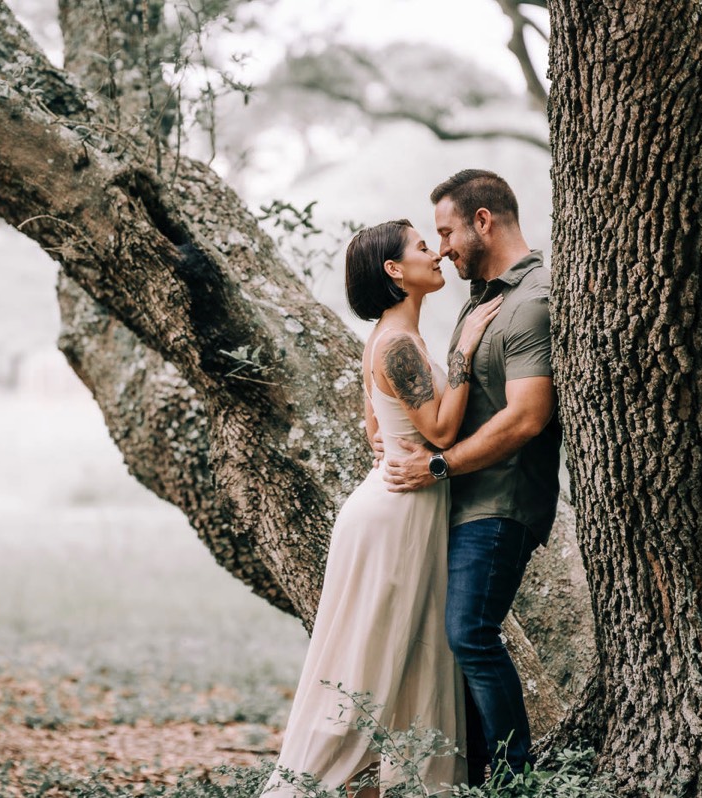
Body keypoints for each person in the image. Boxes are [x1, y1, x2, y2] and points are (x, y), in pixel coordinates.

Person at [264, 219, 503, 797]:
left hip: (403, 507)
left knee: (417, 650)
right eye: (423, 248)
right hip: (393, 515)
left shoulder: (392, 339)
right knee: (369, 657)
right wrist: (467, 350)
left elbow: (374, 425)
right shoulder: (397, 343)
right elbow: (443, 430)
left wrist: (394, 437)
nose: (436, 254)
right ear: (395, 271)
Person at [383, 170, 561, 782]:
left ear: (482, 221)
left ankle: (516, 781)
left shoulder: (533, 297)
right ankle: (476, 779)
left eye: (447, 231)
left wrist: (437, 465)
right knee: (452, 647)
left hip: (501, 502)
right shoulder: (480, 299)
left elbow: (528, 416)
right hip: (459, 501)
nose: (443, 247)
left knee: (471, 635)